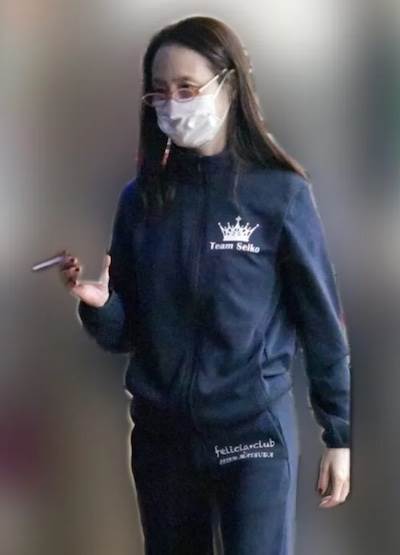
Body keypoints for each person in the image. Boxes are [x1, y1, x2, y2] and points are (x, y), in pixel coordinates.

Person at [59, 15, 352, 555]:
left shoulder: (280, 195)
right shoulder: (140, 202)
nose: (172, 104)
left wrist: (339, 433)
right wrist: (99, 305)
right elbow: (124, 335)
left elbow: (321, 323)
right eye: (160, 91)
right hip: (164, 442)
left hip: (253, 436)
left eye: (187, 88)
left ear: (228, 86)